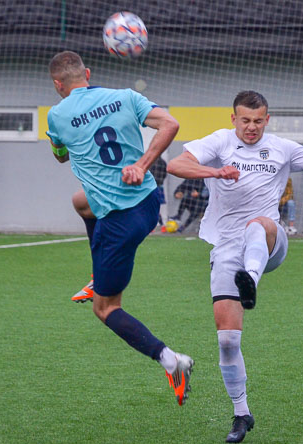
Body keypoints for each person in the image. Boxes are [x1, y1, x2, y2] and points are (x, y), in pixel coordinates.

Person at [167, 90, 303, 443]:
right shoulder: (219, 142)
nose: (252, 127)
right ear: (233, 118)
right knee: (227, 340)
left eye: (258, 121)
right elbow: (176, 165)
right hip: (227, 248)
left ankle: (249, 280)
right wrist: (215, 170)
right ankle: (241, 414)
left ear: (268, 120)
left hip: (270, 241)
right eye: (245, 120)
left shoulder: (281, 147)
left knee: (258, 224)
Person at [45, 50, 193, 406]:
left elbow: (61, 155)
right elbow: (170, 124)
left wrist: (65, 140)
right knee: (80, 201)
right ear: (89, 74)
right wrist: (142, 163)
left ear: (57, 85)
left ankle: (172, 361)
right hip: (147, 203)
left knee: (105, 308)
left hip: (119, 220)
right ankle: (99, 273)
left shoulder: (57, 115)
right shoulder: (125, 96)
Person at [149, 156, 167, 229]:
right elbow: (165, 174)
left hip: (154, 186)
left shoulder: (152, 161)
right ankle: (161, 223)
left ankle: (160, 223)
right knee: (156, 205)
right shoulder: (163, 162)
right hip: (158, 185)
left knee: (154, 205)